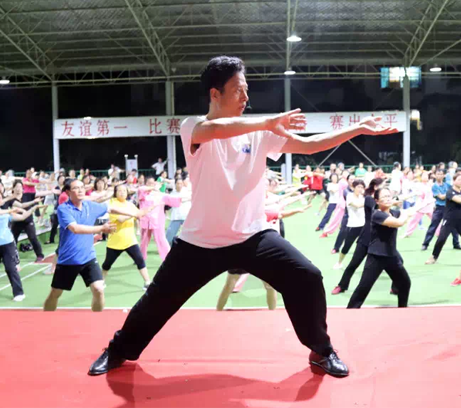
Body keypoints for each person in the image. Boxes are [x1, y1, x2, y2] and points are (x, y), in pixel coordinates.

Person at [89, 55, 397, 378]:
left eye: (247, 89)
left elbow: (309, 146)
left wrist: (357, 129)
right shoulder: (192, 127)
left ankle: (321, 350)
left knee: (307, 277)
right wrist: (266, 123)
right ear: (214, 94)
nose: (246, 97)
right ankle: (118, 350)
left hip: (253, 237)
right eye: (238, 90)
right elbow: (216, 130)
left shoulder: (259, 134)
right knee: (157, 301)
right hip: (200, 241)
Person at [43, 179, 140, 312]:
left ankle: (96, 319)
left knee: (99, 289)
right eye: (76, 188)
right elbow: (75, 229)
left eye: (82, 187)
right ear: (68, 192)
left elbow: (110, 208)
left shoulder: (90, 206)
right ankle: (46, 317)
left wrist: (134, 214)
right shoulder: (63, 209)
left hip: (88, 257)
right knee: (55, 293)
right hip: (68, 260)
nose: (81, 190)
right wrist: (101, 228)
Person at [346, 187, 414, 308]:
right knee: (363, 288)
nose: (387, 199)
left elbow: (408, 212)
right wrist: (405, 213)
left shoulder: (394, 213)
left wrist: (420, 205)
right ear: (377, 201)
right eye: (384, 197)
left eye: (389, 196)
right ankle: (350, 311)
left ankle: (403, 309)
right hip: (376, 257)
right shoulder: (377, 215)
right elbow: (398, 223)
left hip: (391, 257)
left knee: (405, 283)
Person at [102, 184, 153, 290]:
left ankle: (148, 282)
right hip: (115, 242)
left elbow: (138, 215)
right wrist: (133, 214)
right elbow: (120, 219)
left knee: (140, 261)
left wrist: (149, 209)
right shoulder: (112, 204)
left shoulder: (130, 205)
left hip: (130, 240)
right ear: (115, 193)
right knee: (107, 264)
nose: (122, 192)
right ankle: (101, 282)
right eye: (119, 190)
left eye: (124, 190)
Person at [426, 172, 461, 264]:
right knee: (441, 239)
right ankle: (433, 257)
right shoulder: (450, 192)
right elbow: (460, 200)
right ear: (454, 181)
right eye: (459, 180)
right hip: (449, 220)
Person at [421, 169, 461, 251]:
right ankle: (425, 244)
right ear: (435, 175)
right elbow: (441, 197)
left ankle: (456, 244)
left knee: (454, 226)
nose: (439, 176)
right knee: (433, 226)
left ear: (444, 176)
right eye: (438, 174)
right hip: (439, 208)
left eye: (441, 174)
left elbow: (455, 191)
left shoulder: (447, 185)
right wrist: (450, 193)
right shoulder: (434, 186)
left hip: (448, 208)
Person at [334, 180, 365, 269]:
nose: (360, 189)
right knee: (347, 245)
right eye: (358, 187)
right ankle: (339, 262)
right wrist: (369, 201)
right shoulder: (349, 196)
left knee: (370, 245)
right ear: (353, 187)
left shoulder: (363, 197)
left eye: (362, 187)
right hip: (353, 225)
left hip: (363, 225)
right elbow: (357, 205)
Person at [165, 178, 191, 245]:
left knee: (190, 237)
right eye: (178, 183)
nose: (179, 185)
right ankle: (169, 250)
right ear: (175, 184)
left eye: (181, 183)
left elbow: (191, 198)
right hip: (176, 217)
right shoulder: (172, 194)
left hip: (186, 217)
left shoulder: (187, 191)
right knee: (169, 236)